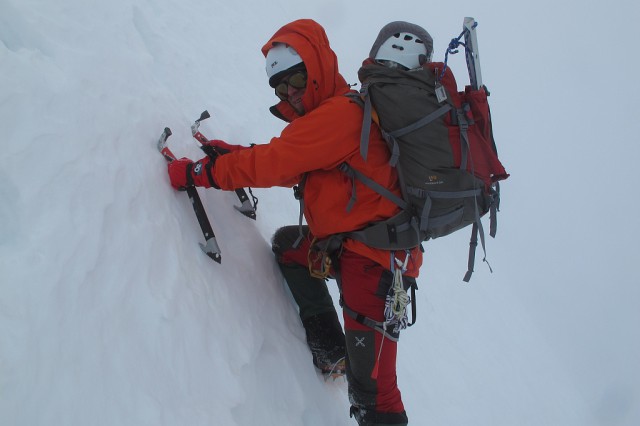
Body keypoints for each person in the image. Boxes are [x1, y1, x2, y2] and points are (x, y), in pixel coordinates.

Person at [167, 19, 431, 426]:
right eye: (280, 87)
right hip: (347, 246)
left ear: (318, 67)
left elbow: (275, 164)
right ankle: (331, 353)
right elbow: (300, 164)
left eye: (295, 79)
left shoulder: (340, 115)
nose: (289, 92)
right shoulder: (334, 115)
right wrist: (232, 153)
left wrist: (198, 173)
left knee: (375, 395)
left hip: (376, 268)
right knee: (291, 249)